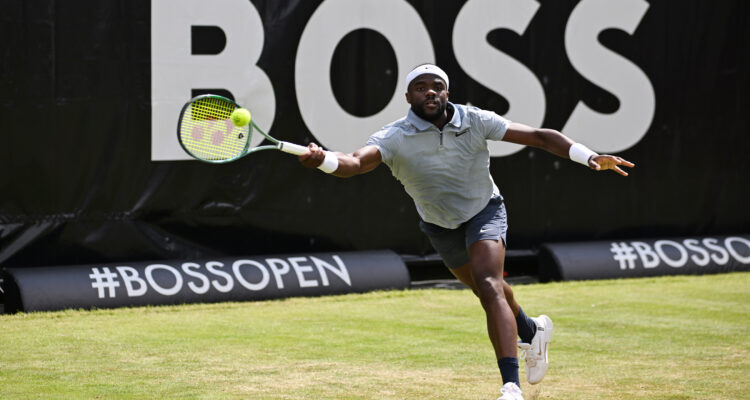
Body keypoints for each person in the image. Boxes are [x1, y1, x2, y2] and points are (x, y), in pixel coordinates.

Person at [298, 64, 634, 400]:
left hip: (484, 211)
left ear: (447, 93)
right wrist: (324, 159)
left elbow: (539, 136)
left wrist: (588, 156)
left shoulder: (475, 120)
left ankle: (510, 386)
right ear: (408, 97)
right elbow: (355, 162)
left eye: (437, 86)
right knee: (488, 289)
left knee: (489, 285)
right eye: (420, 87)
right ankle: (532, 331)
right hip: (439, 226)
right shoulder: (394, 136)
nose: (430, 91)